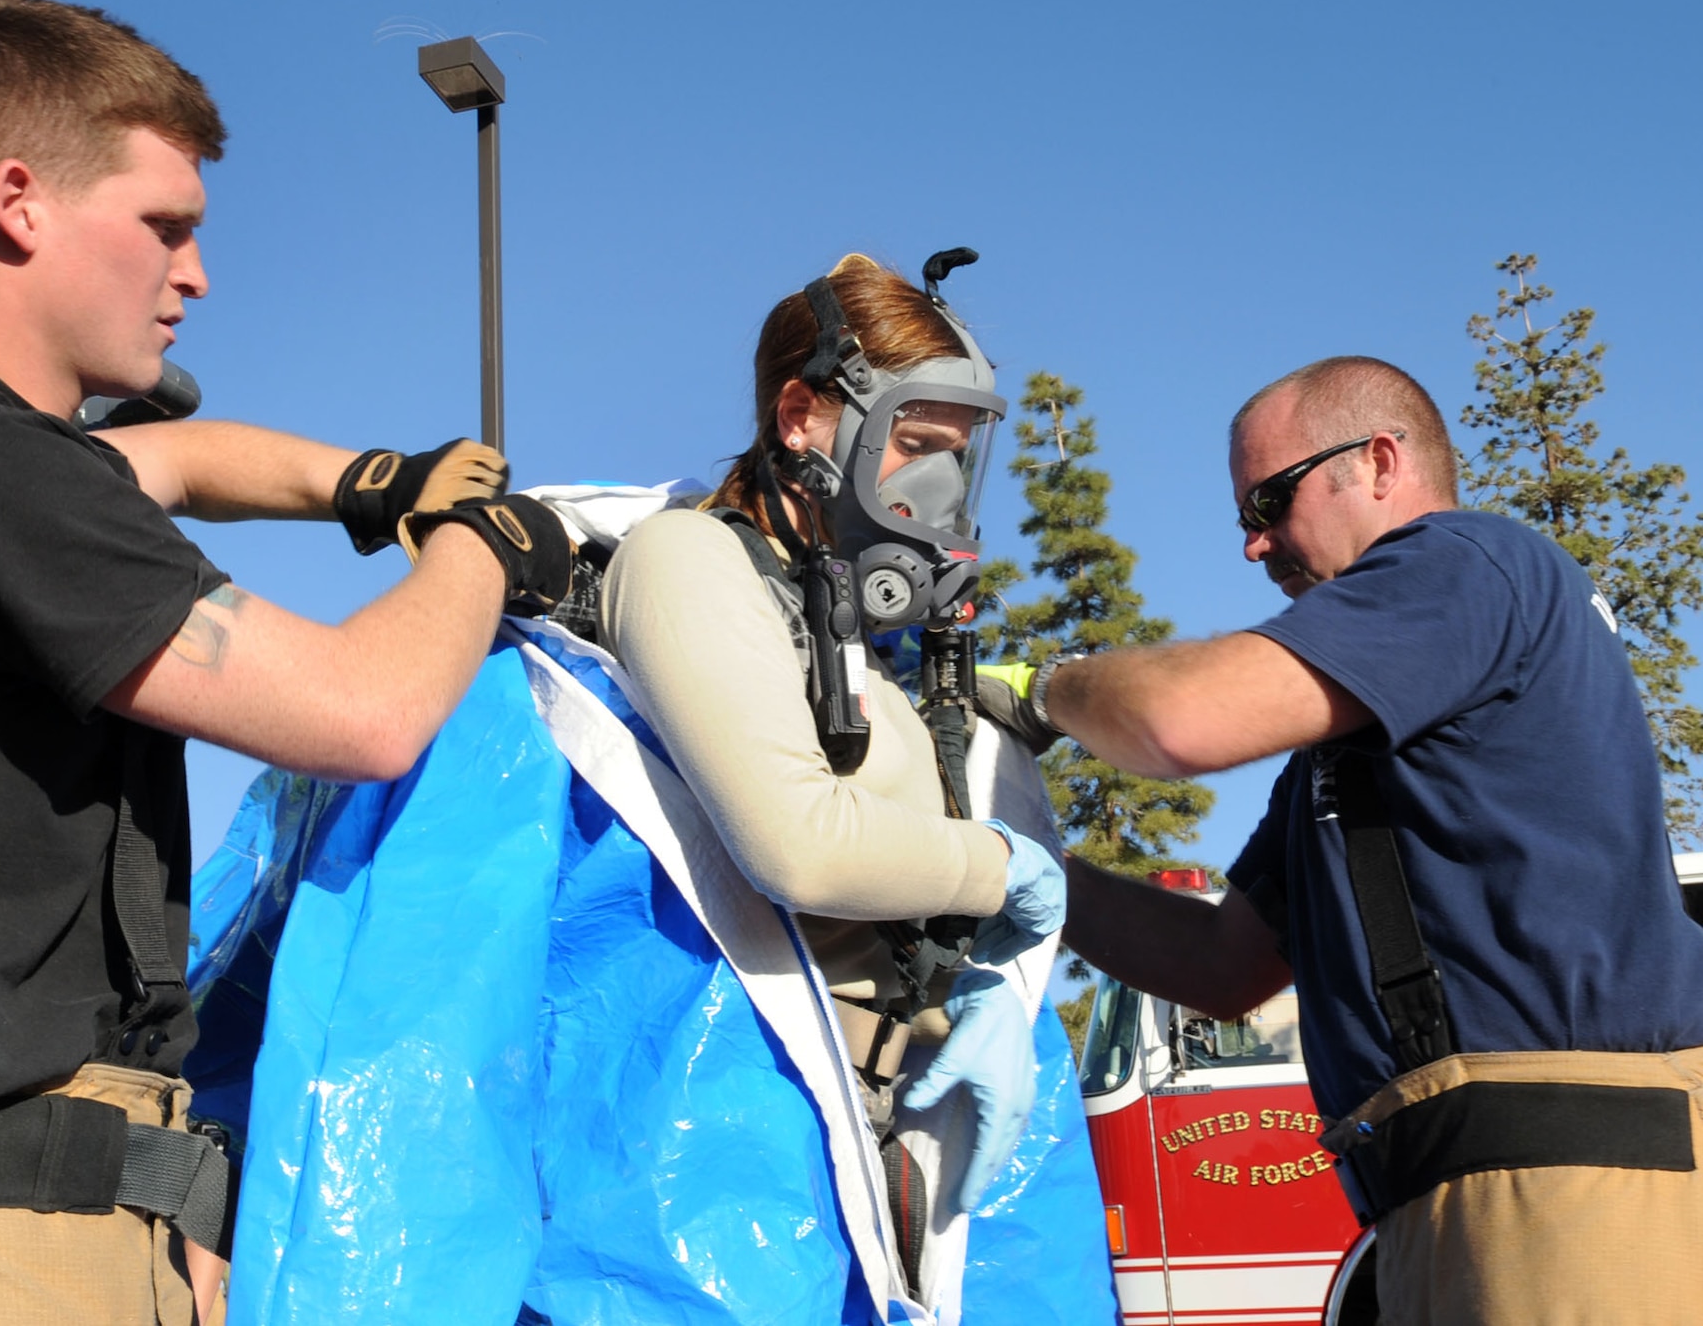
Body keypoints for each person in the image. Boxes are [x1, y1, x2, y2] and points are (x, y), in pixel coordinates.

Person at [0, 0, 570, 1326]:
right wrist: (482, 541)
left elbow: (170, 459)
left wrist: (377, 480)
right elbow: (369, 710)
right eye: (166, 226)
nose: (196, 275)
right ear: (18, 202)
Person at [1019, 355, 1703, 1321]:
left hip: (1565, 1183)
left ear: (1381, 460)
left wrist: (1043, 691)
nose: (1255, 545)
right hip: (1449, 1191)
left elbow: (1179, 718)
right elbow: (1220, 963)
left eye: (1268, 499)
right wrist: (1018, 866)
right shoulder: (1365, 738)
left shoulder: (1460, 561)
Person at [597, 254, 1066, 1284]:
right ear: (801, 416)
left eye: (953, 455)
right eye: (912, 443)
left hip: (887, 1168)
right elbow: (799, 846)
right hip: (755, 1180)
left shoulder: (849, 639)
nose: (936, 488)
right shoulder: (687, 561)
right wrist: (1007, 871)